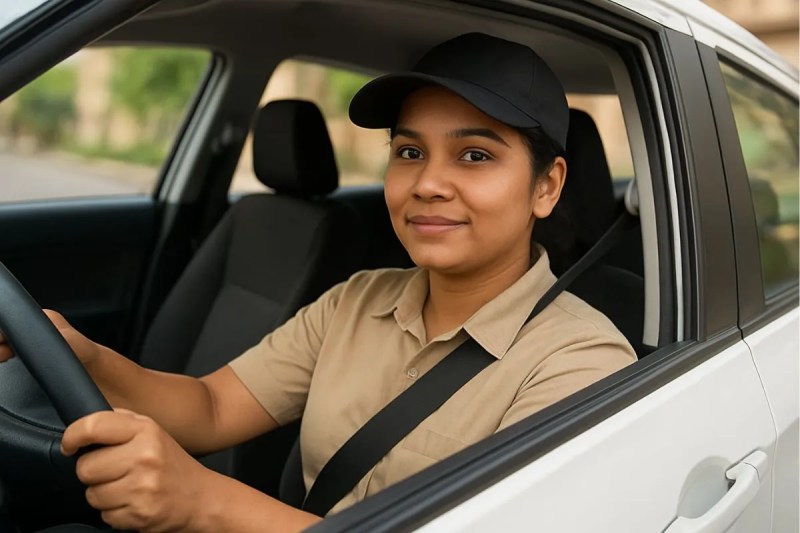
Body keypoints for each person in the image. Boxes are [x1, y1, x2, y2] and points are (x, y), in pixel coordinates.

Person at [0, 33, 636, 532]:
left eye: (475, 155)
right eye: (410, 152)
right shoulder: (357, 299)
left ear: (547, 185)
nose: (427, 183)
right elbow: (212, 408)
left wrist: (203, 503)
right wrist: (80, 353)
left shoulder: (582, 366)